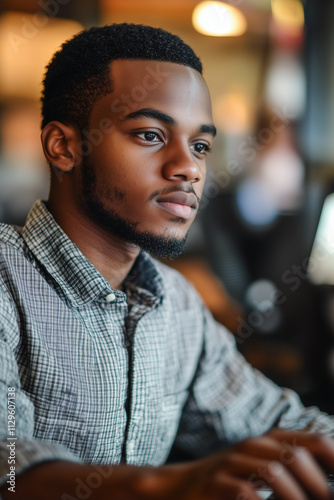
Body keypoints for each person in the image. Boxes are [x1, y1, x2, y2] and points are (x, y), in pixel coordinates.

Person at [0, 23, 334, 500]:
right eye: (151, 135)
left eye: (200, 146)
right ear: (64, 147)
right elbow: (8, 472)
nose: (190, 167)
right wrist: (169, 485)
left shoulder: (175, 305)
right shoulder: (6, 281)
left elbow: (283, 423)